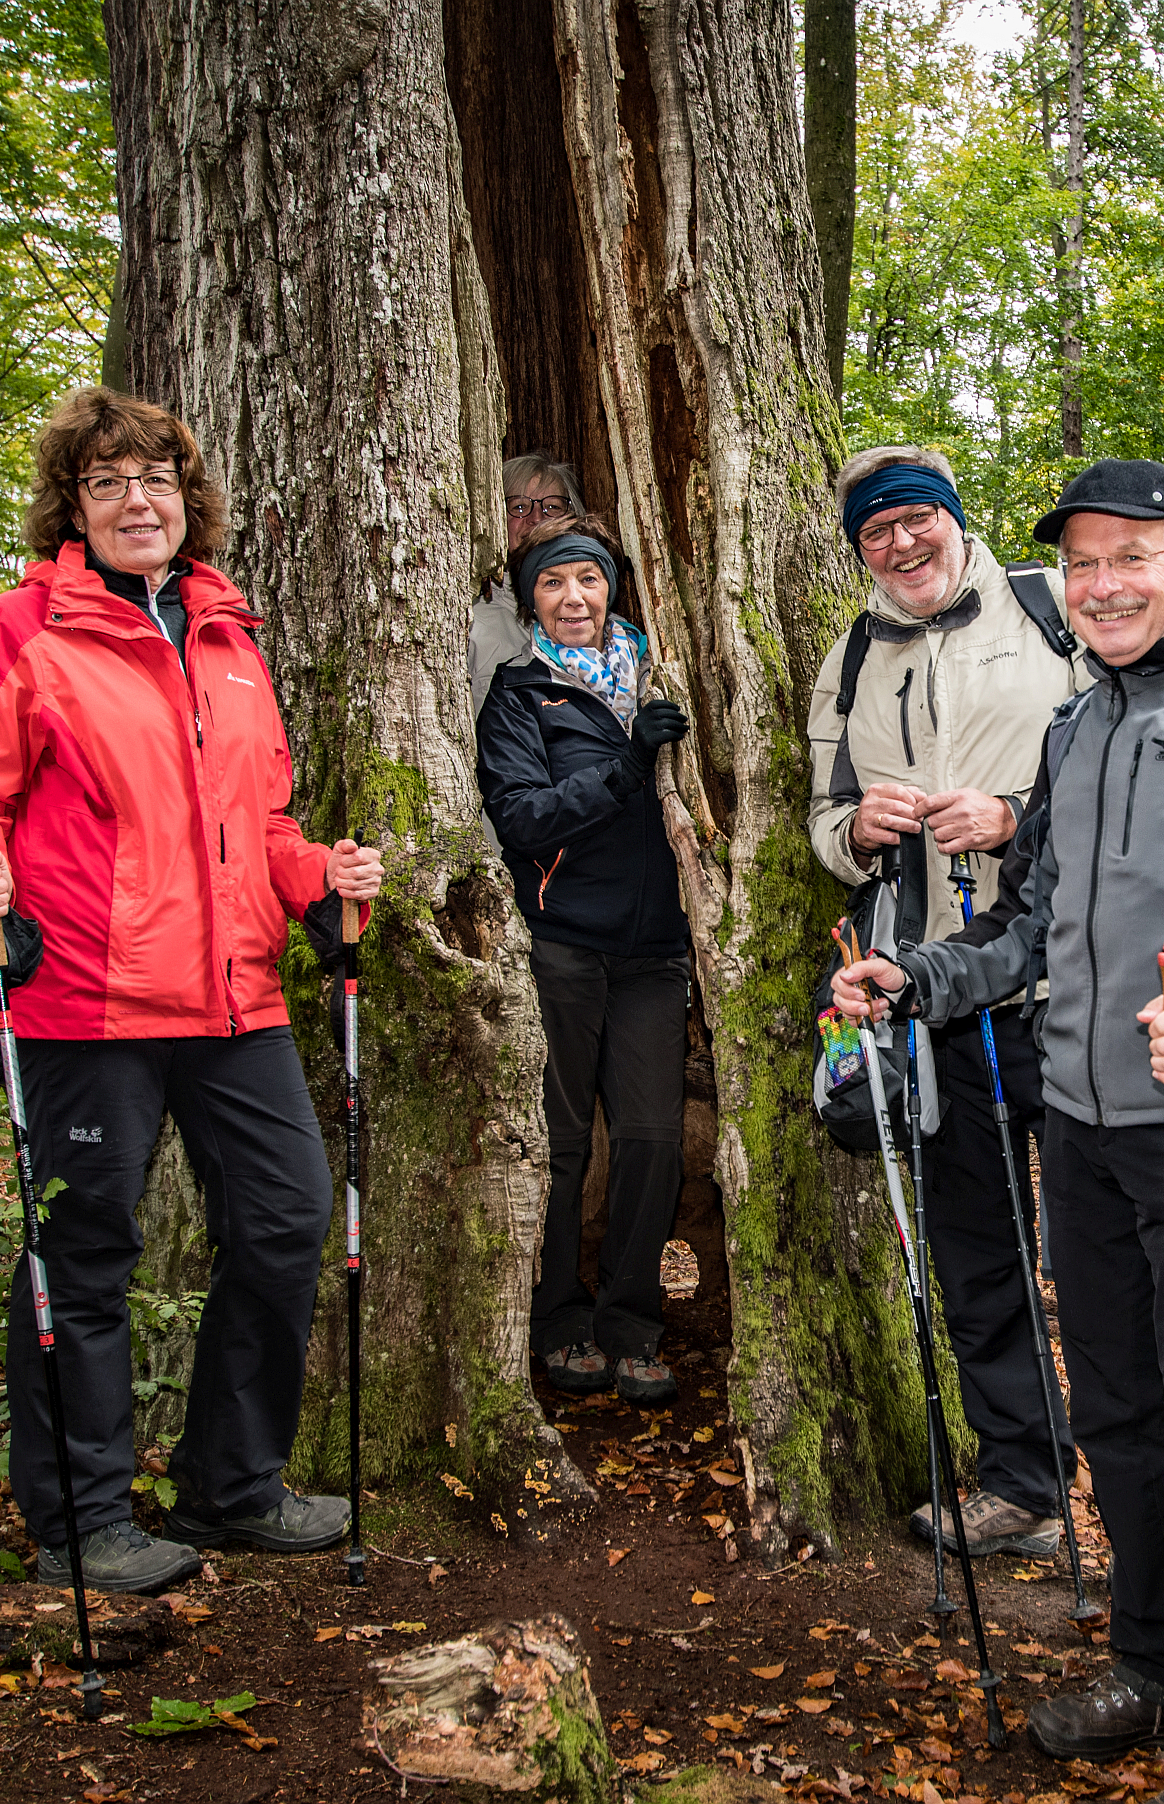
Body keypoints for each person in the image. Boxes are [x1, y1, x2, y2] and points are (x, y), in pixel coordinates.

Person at [836, 458, 1164, 1804]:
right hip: (1079, 1118)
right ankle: (1153, 1659)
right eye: (1081, 563)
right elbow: (1022, 928)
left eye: (1130, 556)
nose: (1103, 583)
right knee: (1121, 1410)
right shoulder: (1078, 727)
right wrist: (918, 979)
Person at [0, 386, 385, 1593]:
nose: (139, 500)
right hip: (82, 995)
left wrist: (320, 876)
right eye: (111, 480)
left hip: (235, 995)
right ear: (75, 504)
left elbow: (261, 822)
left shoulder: (229, 639)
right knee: (83, 1252)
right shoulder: (26, 628)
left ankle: (234, 1487)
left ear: (190, 503)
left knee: (286, 1223)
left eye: (159, 479)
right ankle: (83, 1515)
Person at [805, 443, 1086, 1558]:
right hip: (936, 991)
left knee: (1108, 1244)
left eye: (918, 517)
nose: (902, 542)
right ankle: (1023, 1480)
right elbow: (823, 815)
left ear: (956, 518)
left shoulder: (1055, 609)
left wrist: (1018, 815)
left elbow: (1134, 761)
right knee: (976, 1244)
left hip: (1073, 981)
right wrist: (856, 831)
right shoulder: (852, 655)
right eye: (878, 531)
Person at [477, 514, 694, 1406]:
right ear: (532, 600)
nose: (574, 599)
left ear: (614, 590)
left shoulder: (663, 676)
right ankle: (560, 1321)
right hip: (563, 941)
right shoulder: (520, 695)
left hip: (657, 949)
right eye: (555, 585)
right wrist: (627, 763)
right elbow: (522, 818)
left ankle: (632, 1324)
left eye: (590, 582)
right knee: (562, 1144)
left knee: (651, 1140)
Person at [472, 453, 592, 719]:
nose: (537, 518)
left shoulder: (598, 620)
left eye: (553, 507)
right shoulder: (472, 623)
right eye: (519, 507)